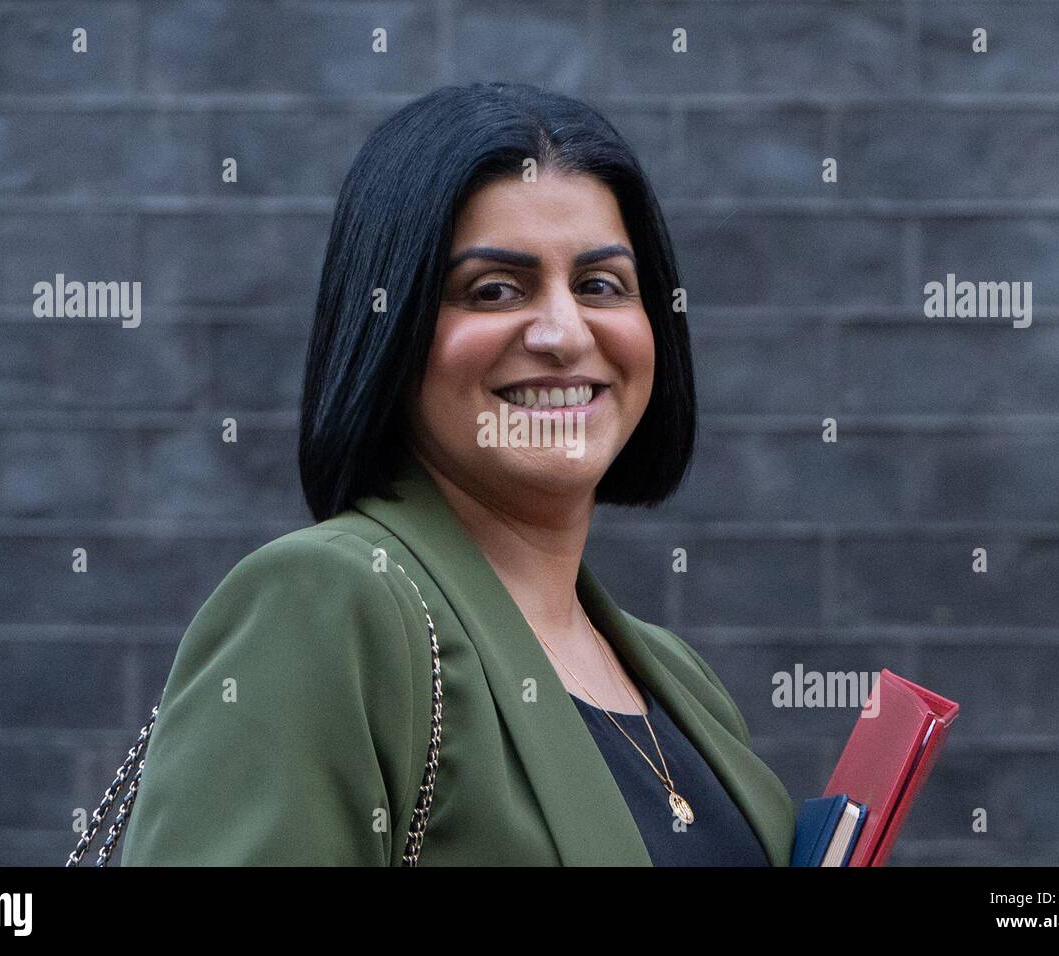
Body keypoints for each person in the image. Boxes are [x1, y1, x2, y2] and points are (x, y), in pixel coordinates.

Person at [120, 81, 795, 866]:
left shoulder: (681, 680)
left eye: (600, 285)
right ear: (393, 327)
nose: (561, 333)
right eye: (494, 289)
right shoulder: (330, 603)